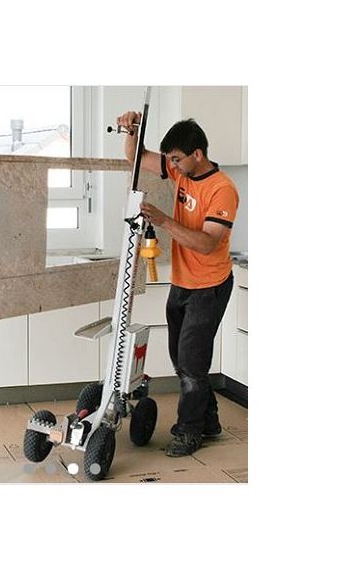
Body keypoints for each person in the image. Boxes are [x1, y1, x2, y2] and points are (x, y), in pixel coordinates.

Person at [116, 113, 239, 457]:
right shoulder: (181, 171)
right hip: (182, 283)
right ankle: (209, 420)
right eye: (169, 159)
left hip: (209, 286)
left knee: (190, 364)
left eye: (176, 159)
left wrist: (164, 220)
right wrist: (132, 130)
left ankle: (189, 431)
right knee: (182, 360)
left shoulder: (222, 190)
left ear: (197, 154)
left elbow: (207, 243)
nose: (171, 166)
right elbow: (136, 157)